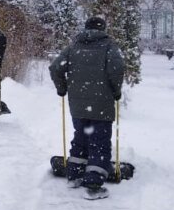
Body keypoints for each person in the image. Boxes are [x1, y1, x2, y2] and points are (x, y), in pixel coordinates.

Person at [48, 15, 125, 199]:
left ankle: (74, 174)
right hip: (101, 103)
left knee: (81, 136)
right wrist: (116, 91)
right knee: (99, 140)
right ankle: (93, 181)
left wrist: (62, 88)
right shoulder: (109, 47)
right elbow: (117, 69)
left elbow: (55, 67)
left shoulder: (74, 46)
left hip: (78, 103)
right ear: (103, 28)